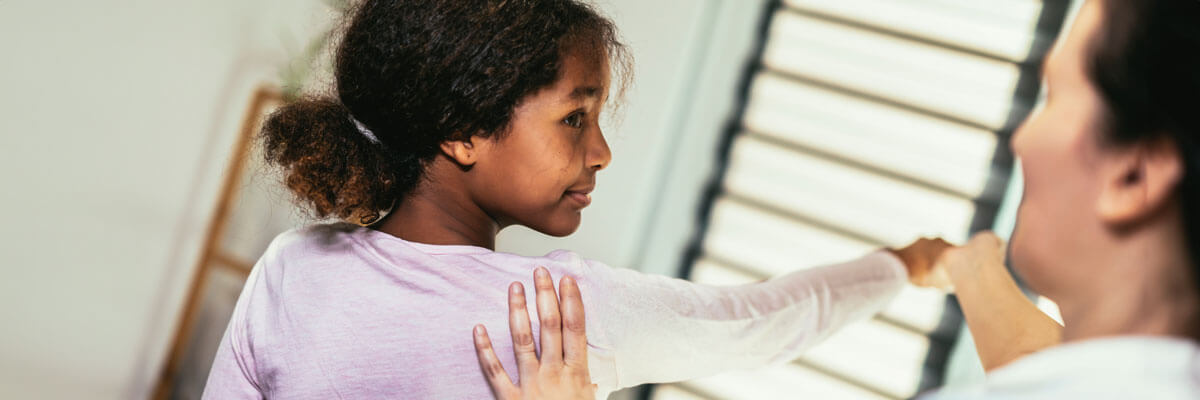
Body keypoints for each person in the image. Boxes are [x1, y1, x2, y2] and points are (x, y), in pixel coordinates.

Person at [201, 1, 956, 398]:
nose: (600, 153)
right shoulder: (554, 317)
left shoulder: (292, 268)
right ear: (464, 130)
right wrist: (906, 264)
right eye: (574, 118)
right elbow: (763, 324)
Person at [473, 0, 1200, 398]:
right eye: (575, 119)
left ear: (1135, 176)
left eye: (1056, 97)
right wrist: (956, 270)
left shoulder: (552, 315)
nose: (1021, 140)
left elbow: (753, 321)